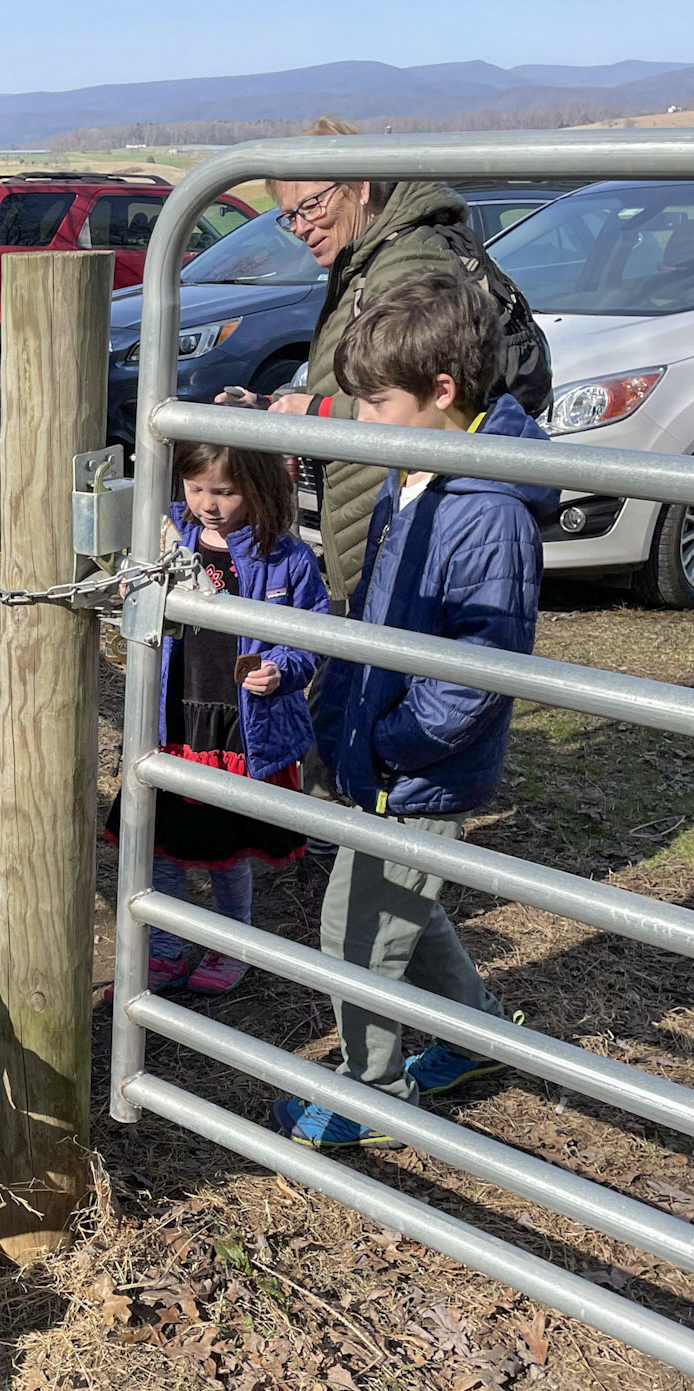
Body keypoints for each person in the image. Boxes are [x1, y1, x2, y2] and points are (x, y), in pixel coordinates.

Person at [272, 271, 553, 1151]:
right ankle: (482, 1036)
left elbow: (475, 668)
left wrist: (389, 742)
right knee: (404, 913)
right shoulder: (421, 469)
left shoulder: (487, 508)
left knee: (354, 936)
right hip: (384, 756)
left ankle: (378, 1096)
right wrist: (342, 712)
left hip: (418, 769)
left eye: (378, 402)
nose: (364, 422)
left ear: (442, 392)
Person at [217, 117, 506, 610]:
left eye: (311, 204)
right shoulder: (365, 260)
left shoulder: (407, 264)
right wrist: (280, 405)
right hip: (368, 504)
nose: (302, 226)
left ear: (360, 186)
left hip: (395, 510)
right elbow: (361, 388)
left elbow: (415, 404)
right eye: (290, 216)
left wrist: (313, 414)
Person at [103, 442, 328, 997]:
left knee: (226, 855)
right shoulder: (163, 540)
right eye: (195, 487)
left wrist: (280, 668)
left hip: (239, 727)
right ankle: (165, 951)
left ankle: (233, 942)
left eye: (225, 491)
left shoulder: (287, 557)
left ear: (259, 486)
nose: (207, 503)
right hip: (175, 717)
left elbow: (312, 636)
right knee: (161, 842)